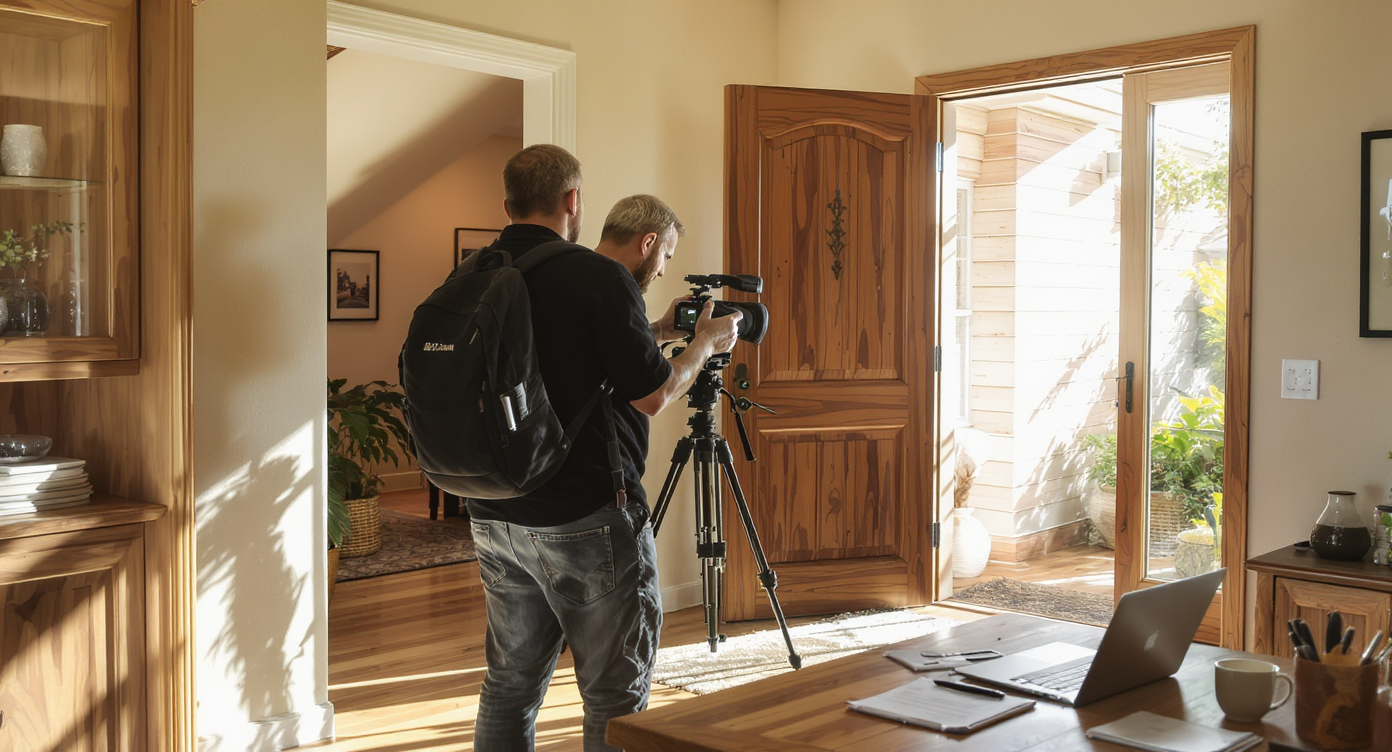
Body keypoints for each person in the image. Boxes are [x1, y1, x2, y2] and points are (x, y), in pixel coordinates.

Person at [468, 144, 741, 752]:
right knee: (614, 694)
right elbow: (653, 395)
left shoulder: (478, 273)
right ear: (573, 201)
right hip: (584, 516)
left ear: (506, 203)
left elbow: (559, 359)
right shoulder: (599, 278)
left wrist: (659, 329)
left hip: (492, 513)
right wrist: (703, 344)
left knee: (509, 684)